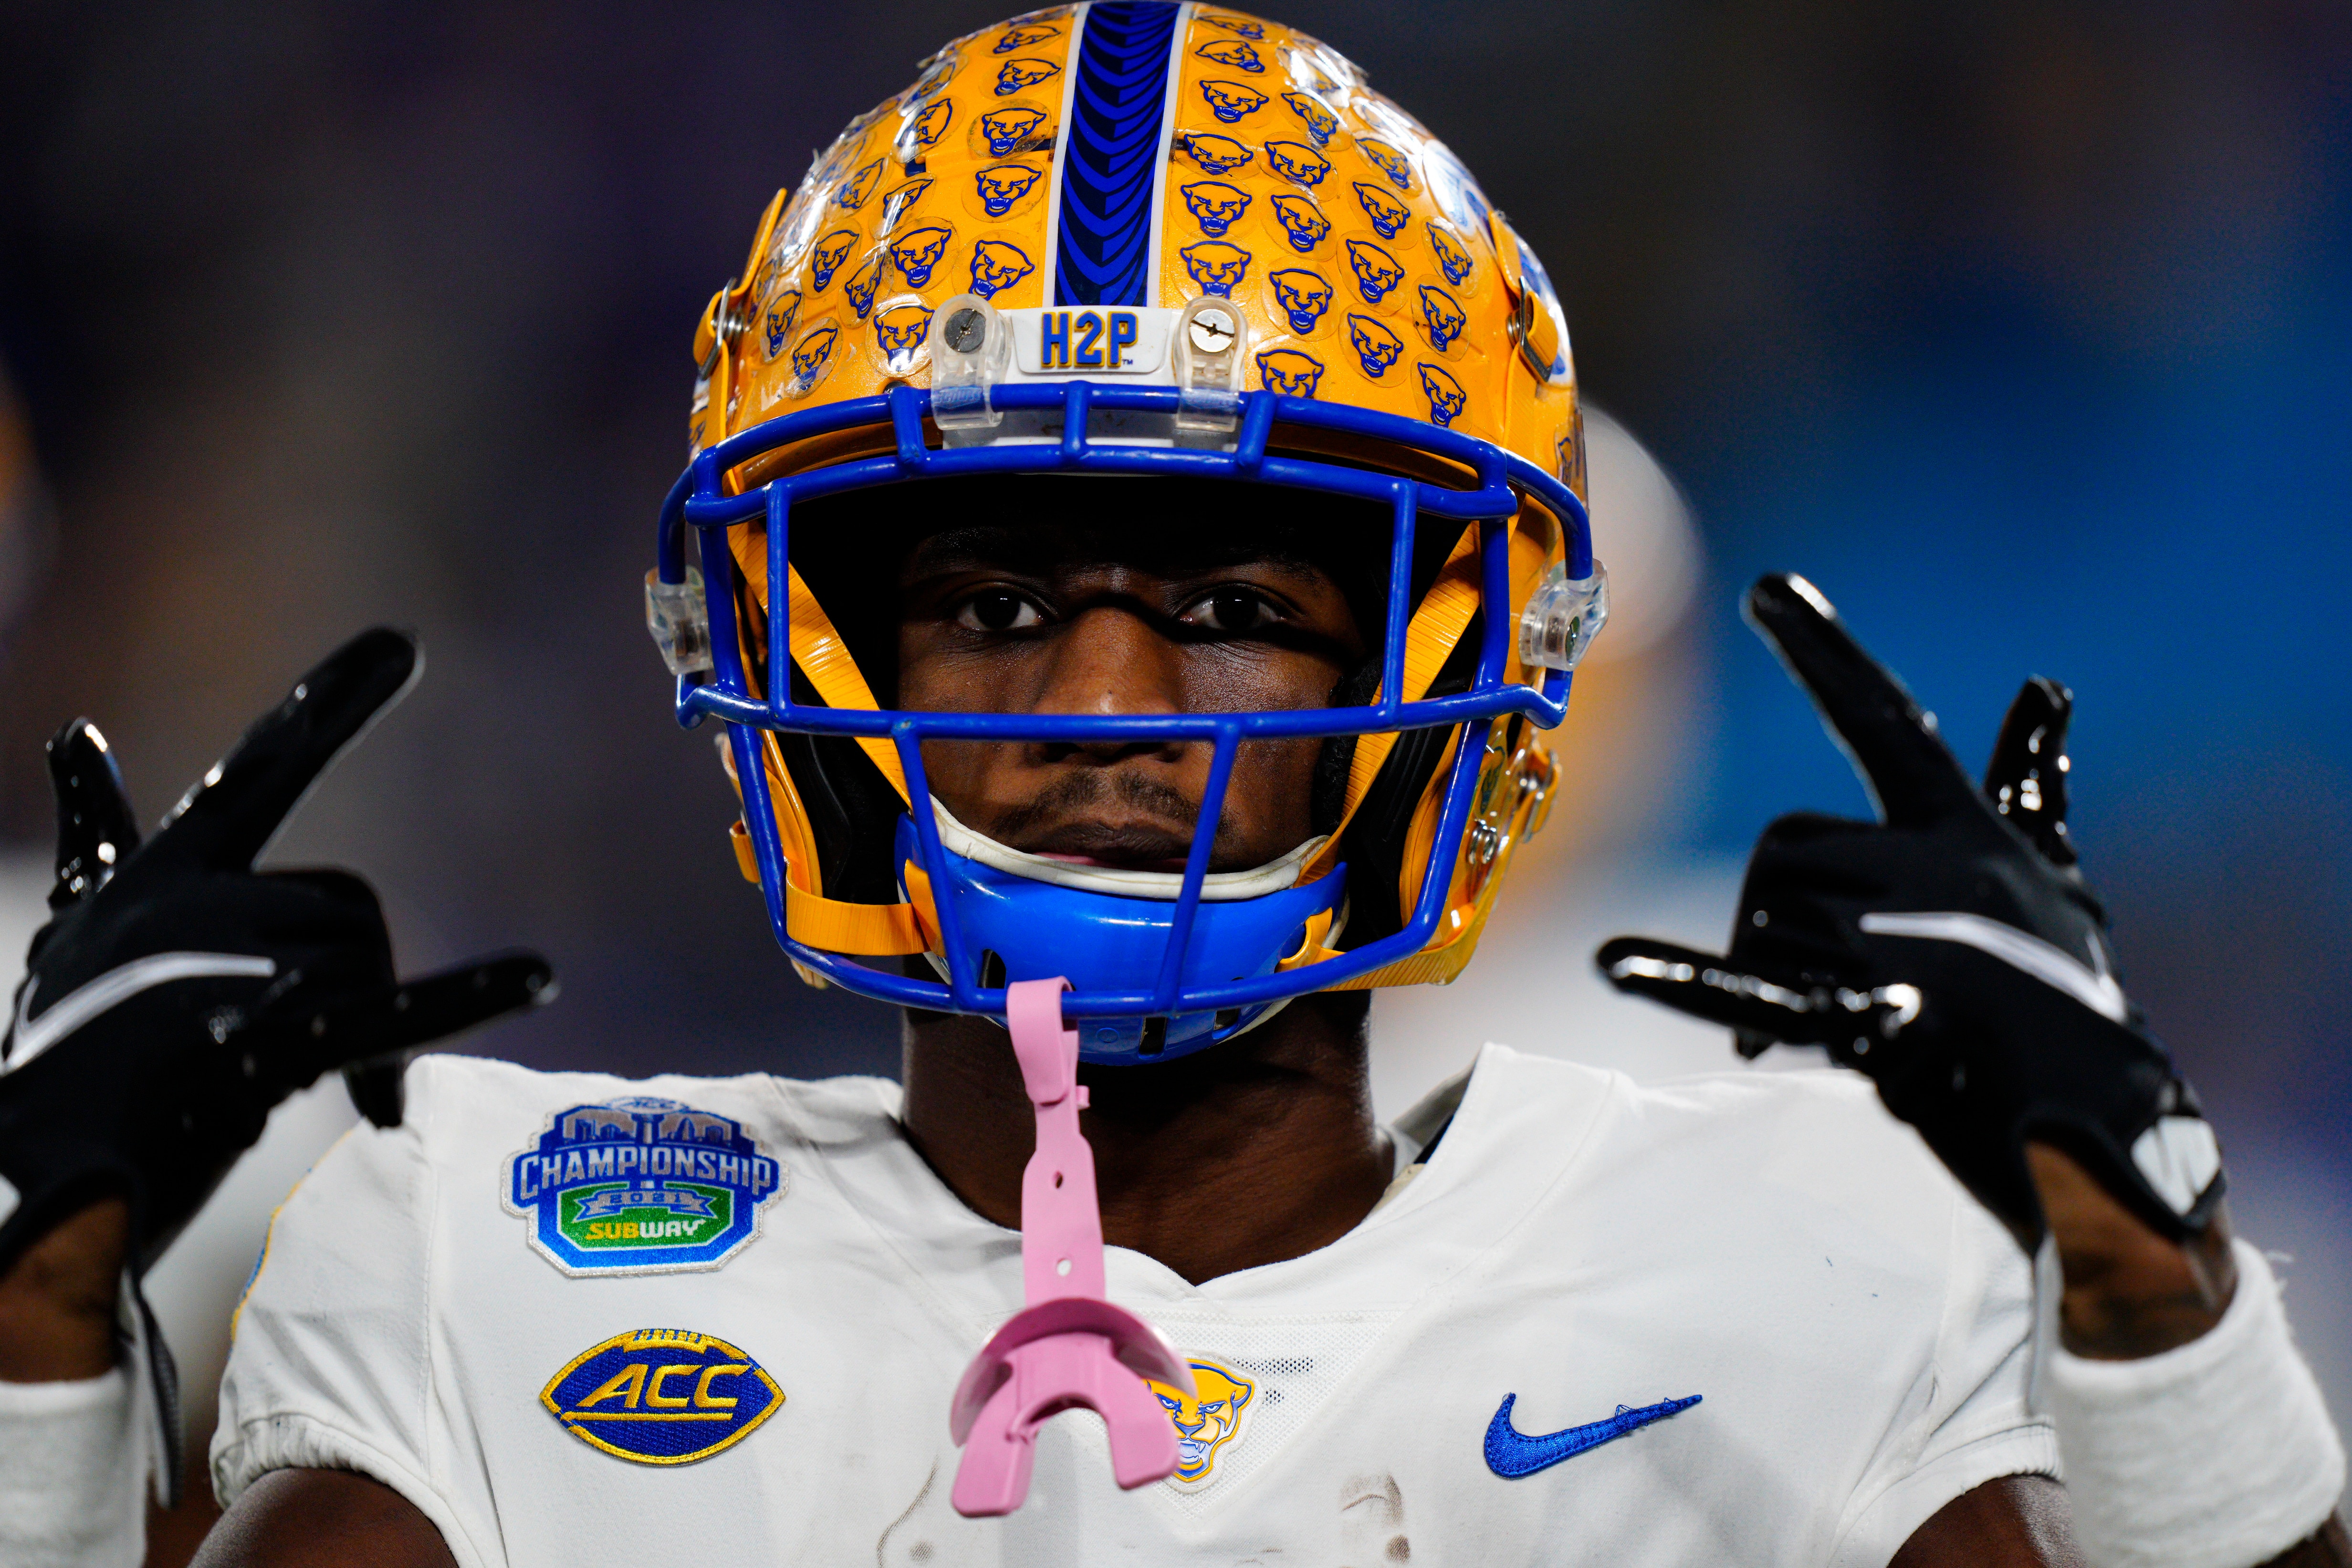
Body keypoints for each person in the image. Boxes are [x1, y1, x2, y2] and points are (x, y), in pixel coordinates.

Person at [0, 5, 2342, 1565]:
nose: (1110, 694)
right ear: (802, 646)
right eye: (997, 600)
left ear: (1458, 664)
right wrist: (25, 1361)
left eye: (1229, 598)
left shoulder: (1794, 1254)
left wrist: (2161, 1305)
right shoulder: (487, 1249)